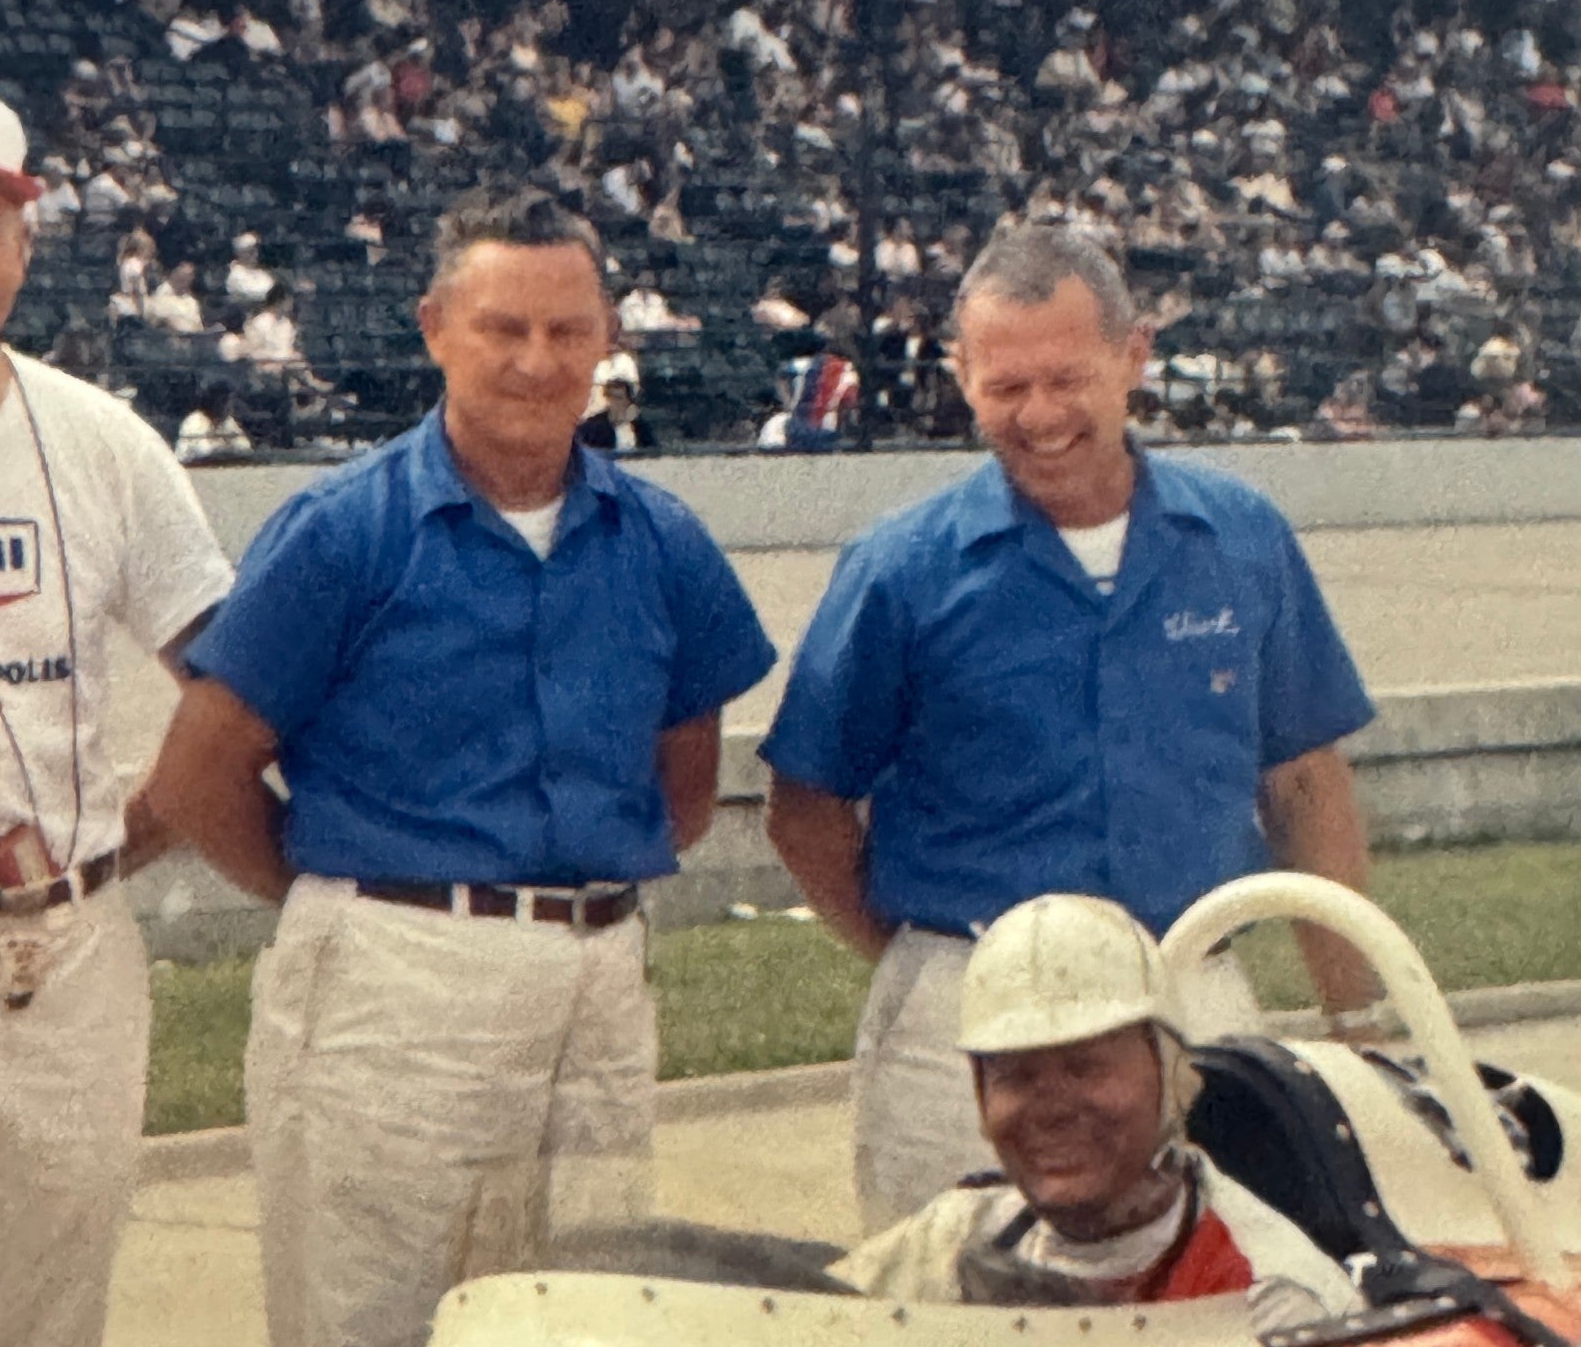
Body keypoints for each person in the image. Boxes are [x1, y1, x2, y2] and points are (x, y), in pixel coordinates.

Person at [140, 186, 776, 1347]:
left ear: (605, 340)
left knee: (586, 1313)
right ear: (435, 326)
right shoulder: (344, 530)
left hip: (598, 971)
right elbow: (197, 775)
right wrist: (347, 899)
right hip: (395, 975)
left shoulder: (663, 539)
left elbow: (683, 785)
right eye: (503, 328)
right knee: (375, 1321)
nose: (537, 362)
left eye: (567, 330)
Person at [762, 225, 1378, 1235]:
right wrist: (920, 962)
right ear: (959, 374)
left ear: (1133, 356)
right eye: (1004, 388)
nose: (1039, 416)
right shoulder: (899, 567)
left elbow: (1306, 785)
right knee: (953, 1309)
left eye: (1067, 379)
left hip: (1194, 996)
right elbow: (805, 807)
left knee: (1222, 1301)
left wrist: (1354, 1022)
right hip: (966, 1013)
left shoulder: (1242, 537)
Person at [0, 89, 233, 1347]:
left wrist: (127, 837)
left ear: (23, 247)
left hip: (60, 952)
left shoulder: (101, 442)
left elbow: (228, 686)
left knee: (50, 1303)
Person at [832, 894, 1362, 1330]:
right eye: (1015, 1076)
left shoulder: (1270, 1298)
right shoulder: (955, 1238)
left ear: (1170, 1079)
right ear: (980, 1098)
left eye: (1085, 1068)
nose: (1051, 1109)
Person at [175, 379, 252, 463]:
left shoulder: (227, 421)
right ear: (212, 401)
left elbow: (245, 447)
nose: (228, 406)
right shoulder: (195, 421)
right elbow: (204, 452)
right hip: (189, 470)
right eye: (223, 400)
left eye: (229, 401)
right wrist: (227, 447)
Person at [578, 376, 657, 452]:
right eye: (610, 398)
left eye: (618, 398)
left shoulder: (640, 427)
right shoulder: (593, 427)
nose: (613, 403)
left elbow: (652, 452)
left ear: (628, 401)